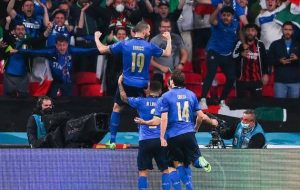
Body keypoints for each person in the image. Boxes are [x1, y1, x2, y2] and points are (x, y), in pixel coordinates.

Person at [135, 70, 218, 190]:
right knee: (193, 160)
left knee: (175, 164)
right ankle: (200, 161)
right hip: (189, 133)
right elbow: (201, 116)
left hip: (173, 136)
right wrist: (203, 125)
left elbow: (162, 119)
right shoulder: (191, 94)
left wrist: (161, 136)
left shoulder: (165, 96)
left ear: (172, 82)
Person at [94, 20, 172, 147]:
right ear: (144, 30)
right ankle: (146, 140)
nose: (150, 32)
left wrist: (96, 38)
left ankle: (112, 141)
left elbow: (102, 49)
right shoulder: (149, 46)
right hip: (142, 85)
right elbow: (167, 53)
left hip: (127, 83)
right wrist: (168, 39)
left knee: (117, 108)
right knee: (143, 112)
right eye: (149, 30)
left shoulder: (124, 44)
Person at [118, 75, 179, 190]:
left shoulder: (140, 101)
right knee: (165, 170)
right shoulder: (165, 102)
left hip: (145, 141)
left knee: (143, 171)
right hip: (160, 140)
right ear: (160, 91)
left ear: (148, 89)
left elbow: (123, 98)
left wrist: (120, 83)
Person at [18, 35, 99, 97]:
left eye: (64, 45)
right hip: (55, 81)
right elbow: (34, 52)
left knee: (68, 101)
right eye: (59, 45)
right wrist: (19, 51)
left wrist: (101, 50)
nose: (62, 48)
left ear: (67, 45)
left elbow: (87, 51)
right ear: (56, 45)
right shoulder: (51, 51)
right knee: (52, 99)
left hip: (68, 81)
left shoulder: (72, 50)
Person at [200, 5, 239, 109]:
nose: (226, 17)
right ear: (221, 16)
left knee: (231, 78)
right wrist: (218, 9)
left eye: (228, 15)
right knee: (210, 74)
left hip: (227, 55)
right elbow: (211, 20)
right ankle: (203, 100)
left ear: (232, 17)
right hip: (214, 52)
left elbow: (240, 34)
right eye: (224, 15)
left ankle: (222, 101)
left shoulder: (236, 24)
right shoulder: (217, 22)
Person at [233, 23, 269, 98]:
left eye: (252, 30)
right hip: (242, 79)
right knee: (241, 105)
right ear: (245, 32)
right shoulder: (239, 43)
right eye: (248, 30)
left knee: (257, 104)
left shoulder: (260, 44)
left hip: (256, 79)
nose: (250, 32)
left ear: (256, 33)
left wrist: (265, 74)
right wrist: (241, 54)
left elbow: (265, 60)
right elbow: (233, 56)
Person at [151, 18, 188, 87]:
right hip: (159, 72)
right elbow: (150, 59)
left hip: (175, 72)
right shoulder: (154, 40)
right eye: (163, 27)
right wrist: (161, 67)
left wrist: (181, 64)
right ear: (159, 28)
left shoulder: (177, 38)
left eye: (168, 27)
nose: (166, 29)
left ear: (171, 28)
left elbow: (184, 53)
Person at [268, 21, 300, 98]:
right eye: (285, 29)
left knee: (294, 107)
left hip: (295, 81)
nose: (287, 32)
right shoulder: (275, 44)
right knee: (279, 106)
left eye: (290, 30)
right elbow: (269, 60)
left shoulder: (298, 44)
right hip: (280, 81)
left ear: (293, 31)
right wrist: (279, 61)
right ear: (282, 30)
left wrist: (297, 59)